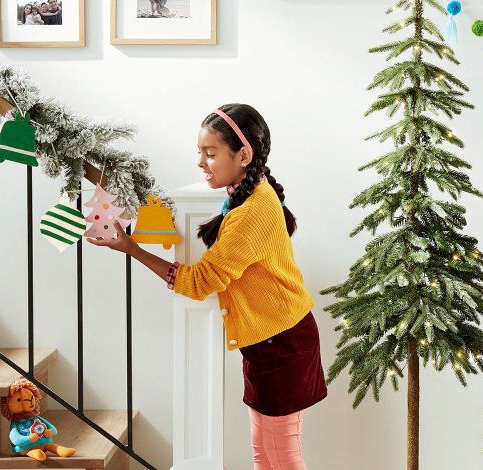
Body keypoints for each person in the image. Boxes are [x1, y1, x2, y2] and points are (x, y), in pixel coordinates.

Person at [87, 103, 326, 470]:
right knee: (265, 451)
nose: (201, 162)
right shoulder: (249, 193)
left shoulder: (249, 213)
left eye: (210, 153)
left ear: (243, 155)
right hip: (273, 341)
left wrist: (132, 249)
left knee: (281, 454)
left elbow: (199, 282)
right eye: (200, 152)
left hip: (282, 345)